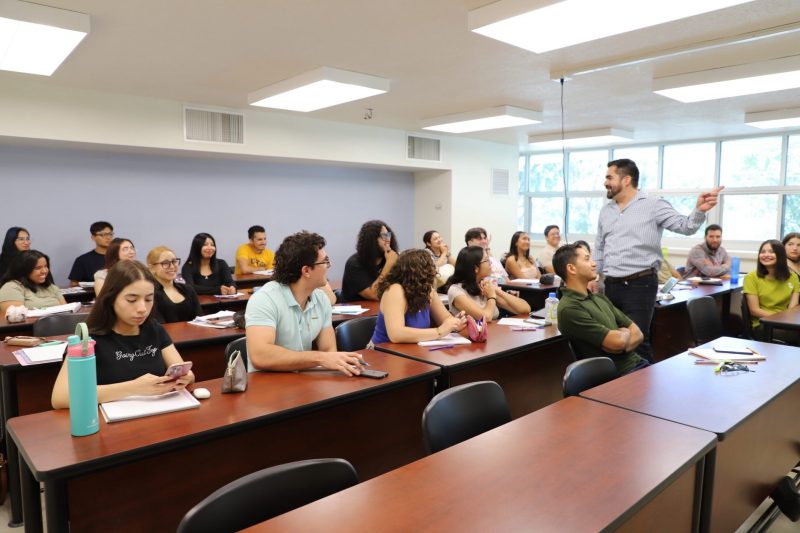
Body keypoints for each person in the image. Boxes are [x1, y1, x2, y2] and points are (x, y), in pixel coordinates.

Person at [594, 158, 722, 362]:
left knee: (637, 341)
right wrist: (594, 276)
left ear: (626, 180)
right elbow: (600, 246)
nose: (605, 182)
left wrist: (700, 210)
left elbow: (686, 226)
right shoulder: (606, 210)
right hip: (610, 285)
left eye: (609, 177)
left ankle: (643, 380)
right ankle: (620, 382)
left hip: (639, 284)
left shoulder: (653, 205)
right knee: (614, 340)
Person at [51, 260, 194, 409]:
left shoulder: (155, 329)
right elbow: (60, 397)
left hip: (158, 412)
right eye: (132, 300)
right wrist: (133, 388)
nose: (142, 308)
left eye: (148, 299)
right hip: (110, 419)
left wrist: (187, 377)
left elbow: (184, 372)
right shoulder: (88, 339)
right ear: (111, 298)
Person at [245, 231, 364, 375]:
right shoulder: (264, 299)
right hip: (267, 382)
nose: (329, 265)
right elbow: (260, 356)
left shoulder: (321, 299)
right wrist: (319, 358)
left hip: (303, 380)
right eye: (325, 261)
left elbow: (329, 351)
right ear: (306, 270)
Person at [553, 244, 650, 375]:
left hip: (639, 364)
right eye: (587, 259)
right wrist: (624, 332)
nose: (594, 264)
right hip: (619, 375)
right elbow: (618, 342)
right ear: (571, 268)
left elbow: (638, 334)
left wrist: (622, 341)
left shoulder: (599, 298)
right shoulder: (570, 308)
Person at [370, 249, 467, 344]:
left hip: (414, 350)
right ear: (420, 272)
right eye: (431, 266)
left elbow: (445, 318)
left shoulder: (428, 291)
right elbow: (396, 335)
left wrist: (454, 323)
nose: (436, 271)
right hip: (382, 350)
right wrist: (439, 331)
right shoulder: (395, 290)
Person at [446, 246, 530, 322]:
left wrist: (499, 292)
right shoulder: (456, 291)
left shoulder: (484, 286)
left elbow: (525, 309)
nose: (491, 263)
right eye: (487, 260)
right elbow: (486, 317)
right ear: (475, 268)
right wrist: (491, 297)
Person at [743, 239, 800, 343]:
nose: (766, 255)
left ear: (781, 255)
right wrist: (780, 318)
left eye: (771, 251)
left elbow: (793, 307)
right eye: (763, 252)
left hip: (786, 322)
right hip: (763, 325)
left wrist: (786, 320)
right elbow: (754, 310)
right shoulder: (751, 277)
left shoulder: (793, 277)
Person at [340, 220, 399, 302]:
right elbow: (374, 294)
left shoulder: (390, 258)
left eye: (388, 235)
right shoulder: (354, 264)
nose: (388, 239)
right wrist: (389, 264)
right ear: (371, 240)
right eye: (383, 236)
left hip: (382, 305)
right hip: (357, 308)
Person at [0, 250, 66, 314]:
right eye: (38, 268)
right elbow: (15, 317)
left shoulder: (51, 287)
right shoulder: (12, 287)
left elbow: (66, 311)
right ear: (24, 270)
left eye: (45, 266)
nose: (44, 271)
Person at [147, 246, 202, 324]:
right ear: (152, 268)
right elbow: (159, 326)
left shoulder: (188, 290)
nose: (172, 266)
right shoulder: (150, 294)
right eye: (165, 263)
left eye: (174, 261)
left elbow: (201, 319)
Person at [69, 221, 114, 286]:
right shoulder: (82, 260)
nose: (108, 237)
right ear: (93, 237)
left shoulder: (119, 257)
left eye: (110, 234)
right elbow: (73, 284)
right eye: (102, 235)